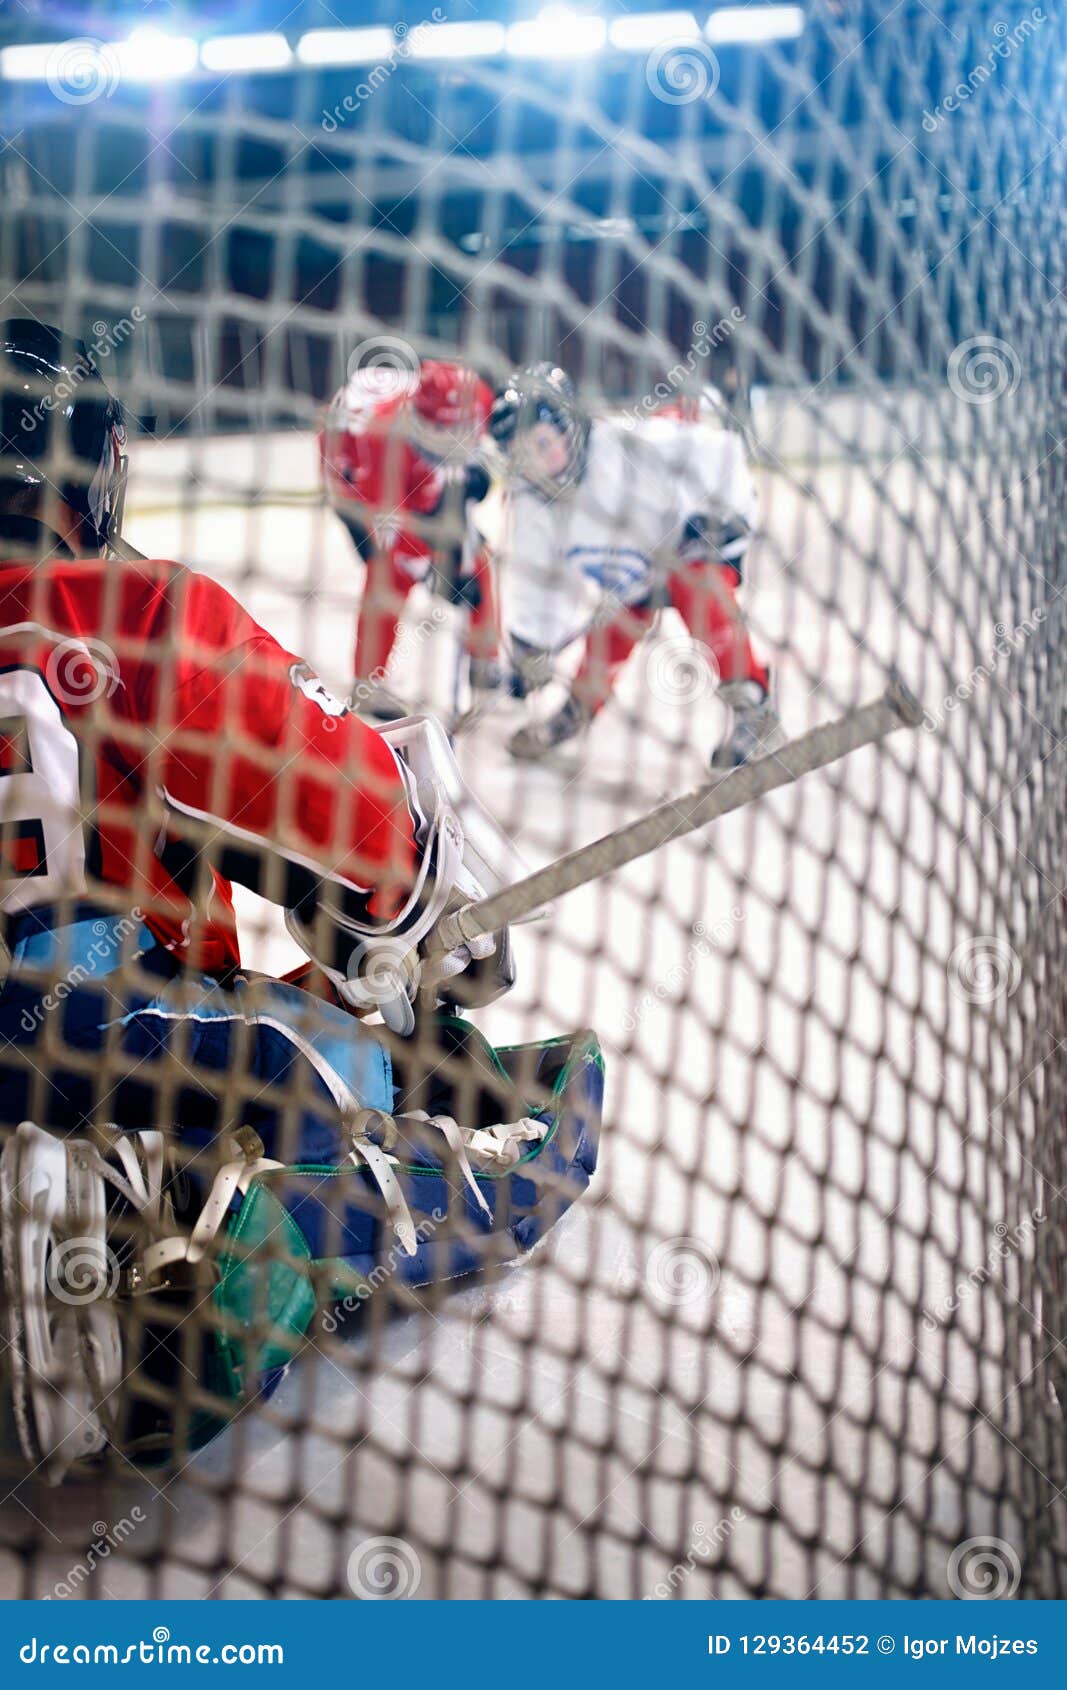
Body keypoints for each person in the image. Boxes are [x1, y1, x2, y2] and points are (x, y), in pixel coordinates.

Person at [0, 320, 601, 1479]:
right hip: (78, 1005)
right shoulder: (121, 609)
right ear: (91, 466)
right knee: (323, 1065)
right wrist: (409, 917)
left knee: (243, 1022)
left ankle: (105, 1200)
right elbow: (337, 799)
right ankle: (219, 1255)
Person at [487, 363, 781, 765]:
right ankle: (577, 710)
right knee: (608, 635)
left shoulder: (628, 445)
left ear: (568, 426)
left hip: (688, 551)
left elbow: (720, 451)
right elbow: (540, 577)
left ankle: (754, 709)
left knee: (701, 595)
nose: (540, 461)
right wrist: (531, 644)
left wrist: (718, 516)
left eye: (543, 442)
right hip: (630, 577)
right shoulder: (530, 500)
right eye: (524, 453)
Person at [320, 359, 503, 716]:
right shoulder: (379, 443)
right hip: (353, 486)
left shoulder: (467, 401)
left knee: (479, 558)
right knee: (389, 575)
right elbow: (395, 539)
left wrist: (478, 476)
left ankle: (485, 662)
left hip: (416, 474)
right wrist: (439, 576)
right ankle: (368, 683)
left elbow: (483, 451)